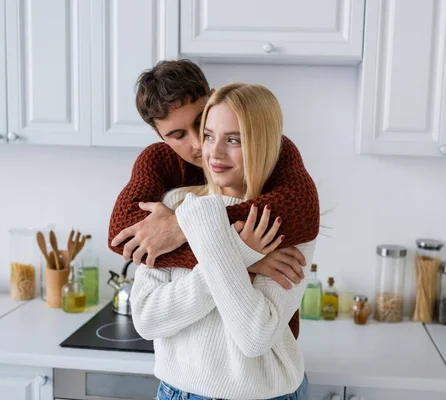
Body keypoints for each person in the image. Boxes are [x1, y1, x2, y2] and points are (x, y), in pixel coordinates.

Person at [108, 60, 320, 339]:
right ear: (159, 135)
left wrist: (180, 227)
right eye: (178, 135)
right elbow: (123, 236)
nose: (198, 144)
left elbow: (302, 211)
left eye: (200, 123)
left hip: (268, 363)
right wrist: (244, 256)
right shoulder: (158, 163)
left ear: (212, 97)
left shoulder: (274, 152)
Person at [130, 83, 316, 400]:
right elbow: (147, 319)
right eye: (209, 135)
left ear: (262, 144)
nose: (213, 153)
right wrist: (241, 253)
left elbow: (255, 336)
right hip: (178, 393)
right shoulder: (176, 205)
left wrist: (210, 232)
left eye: (233, 140)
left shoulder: (283, 221)